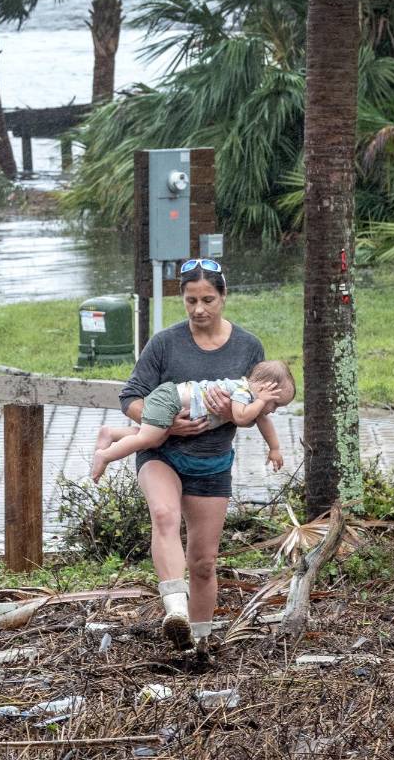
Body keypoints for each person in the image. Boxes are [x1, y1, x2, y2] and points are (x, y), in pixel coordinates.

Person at [118, 258, 282, 651]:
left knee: (204, 563)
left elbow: (263, 403)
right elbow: (130, 399)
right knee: (163, 515)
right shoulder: (164, 343)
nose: (199, 310)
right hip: (164, 452)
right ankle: (174, 609)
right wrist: (168, 424)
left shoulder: (248, 346)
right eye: (191, 300)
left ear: (224, 296)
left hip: (212, 463)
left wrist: (243, 419)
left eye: (208, 299)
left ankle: (199, 645)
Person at [91, 359, 295, 482]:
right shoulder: (242, 391)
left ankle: (112, 434)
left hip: (171, 399)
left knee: (155, 438)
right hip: (169, 399)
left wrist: (274, 448)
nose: (274, 410)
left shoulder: (253, 398)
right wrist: (262, 403)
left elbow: (263, 421)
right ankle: (105, 456)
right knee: (147, 439)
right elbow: (241, 418)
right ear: (264, 389)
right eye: (275, 404)